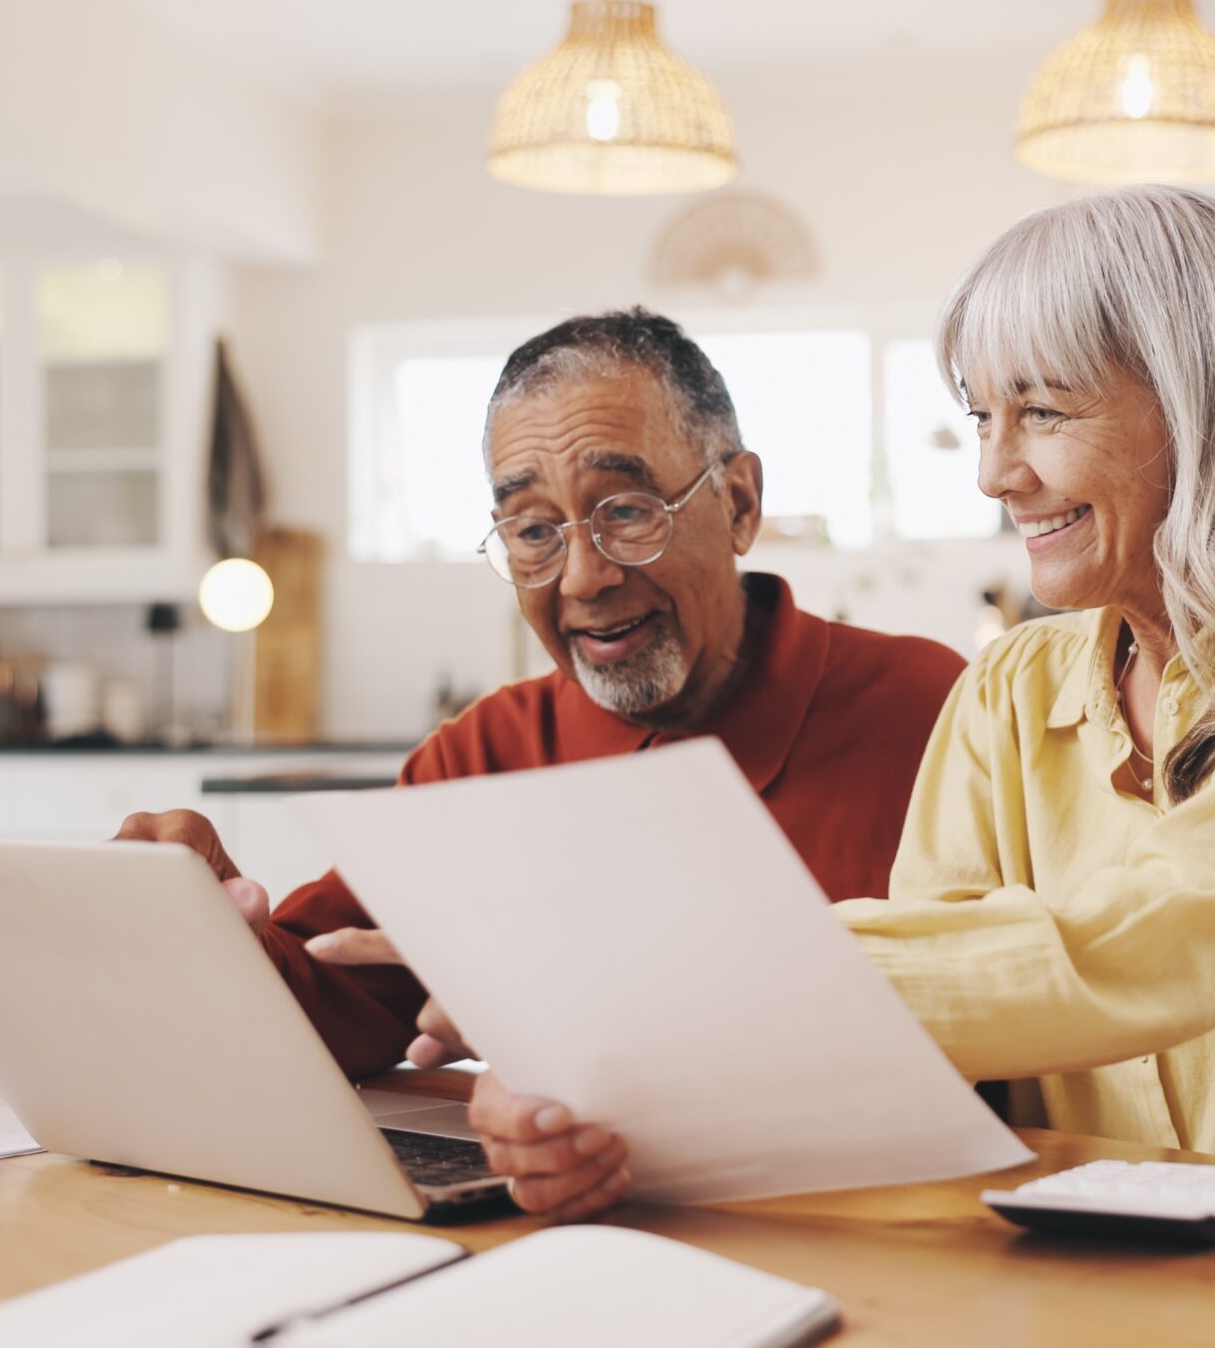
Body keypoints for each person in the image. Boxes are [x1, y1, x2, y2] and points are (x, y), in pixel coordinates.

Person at [474, 187, 1215, 1214]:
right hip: (1111, 1268)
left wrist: (654, 988)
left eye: (1038, 411)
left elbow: (1170, 932)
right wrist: (598, 1104)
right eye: (982, 416)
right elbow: (918, 1029)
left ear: (1202, 402)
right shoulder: (1007, 688)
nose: (995, 471)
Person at [116, 311, 966, 1190]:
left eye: (627, 512)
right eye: (532, 530)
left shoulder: (936, 712)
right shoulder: (486, 752)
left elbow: (1021, 1033)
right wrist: (201, 930)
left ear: (740, 504)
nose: (581, 578)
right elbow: (331, 1000)